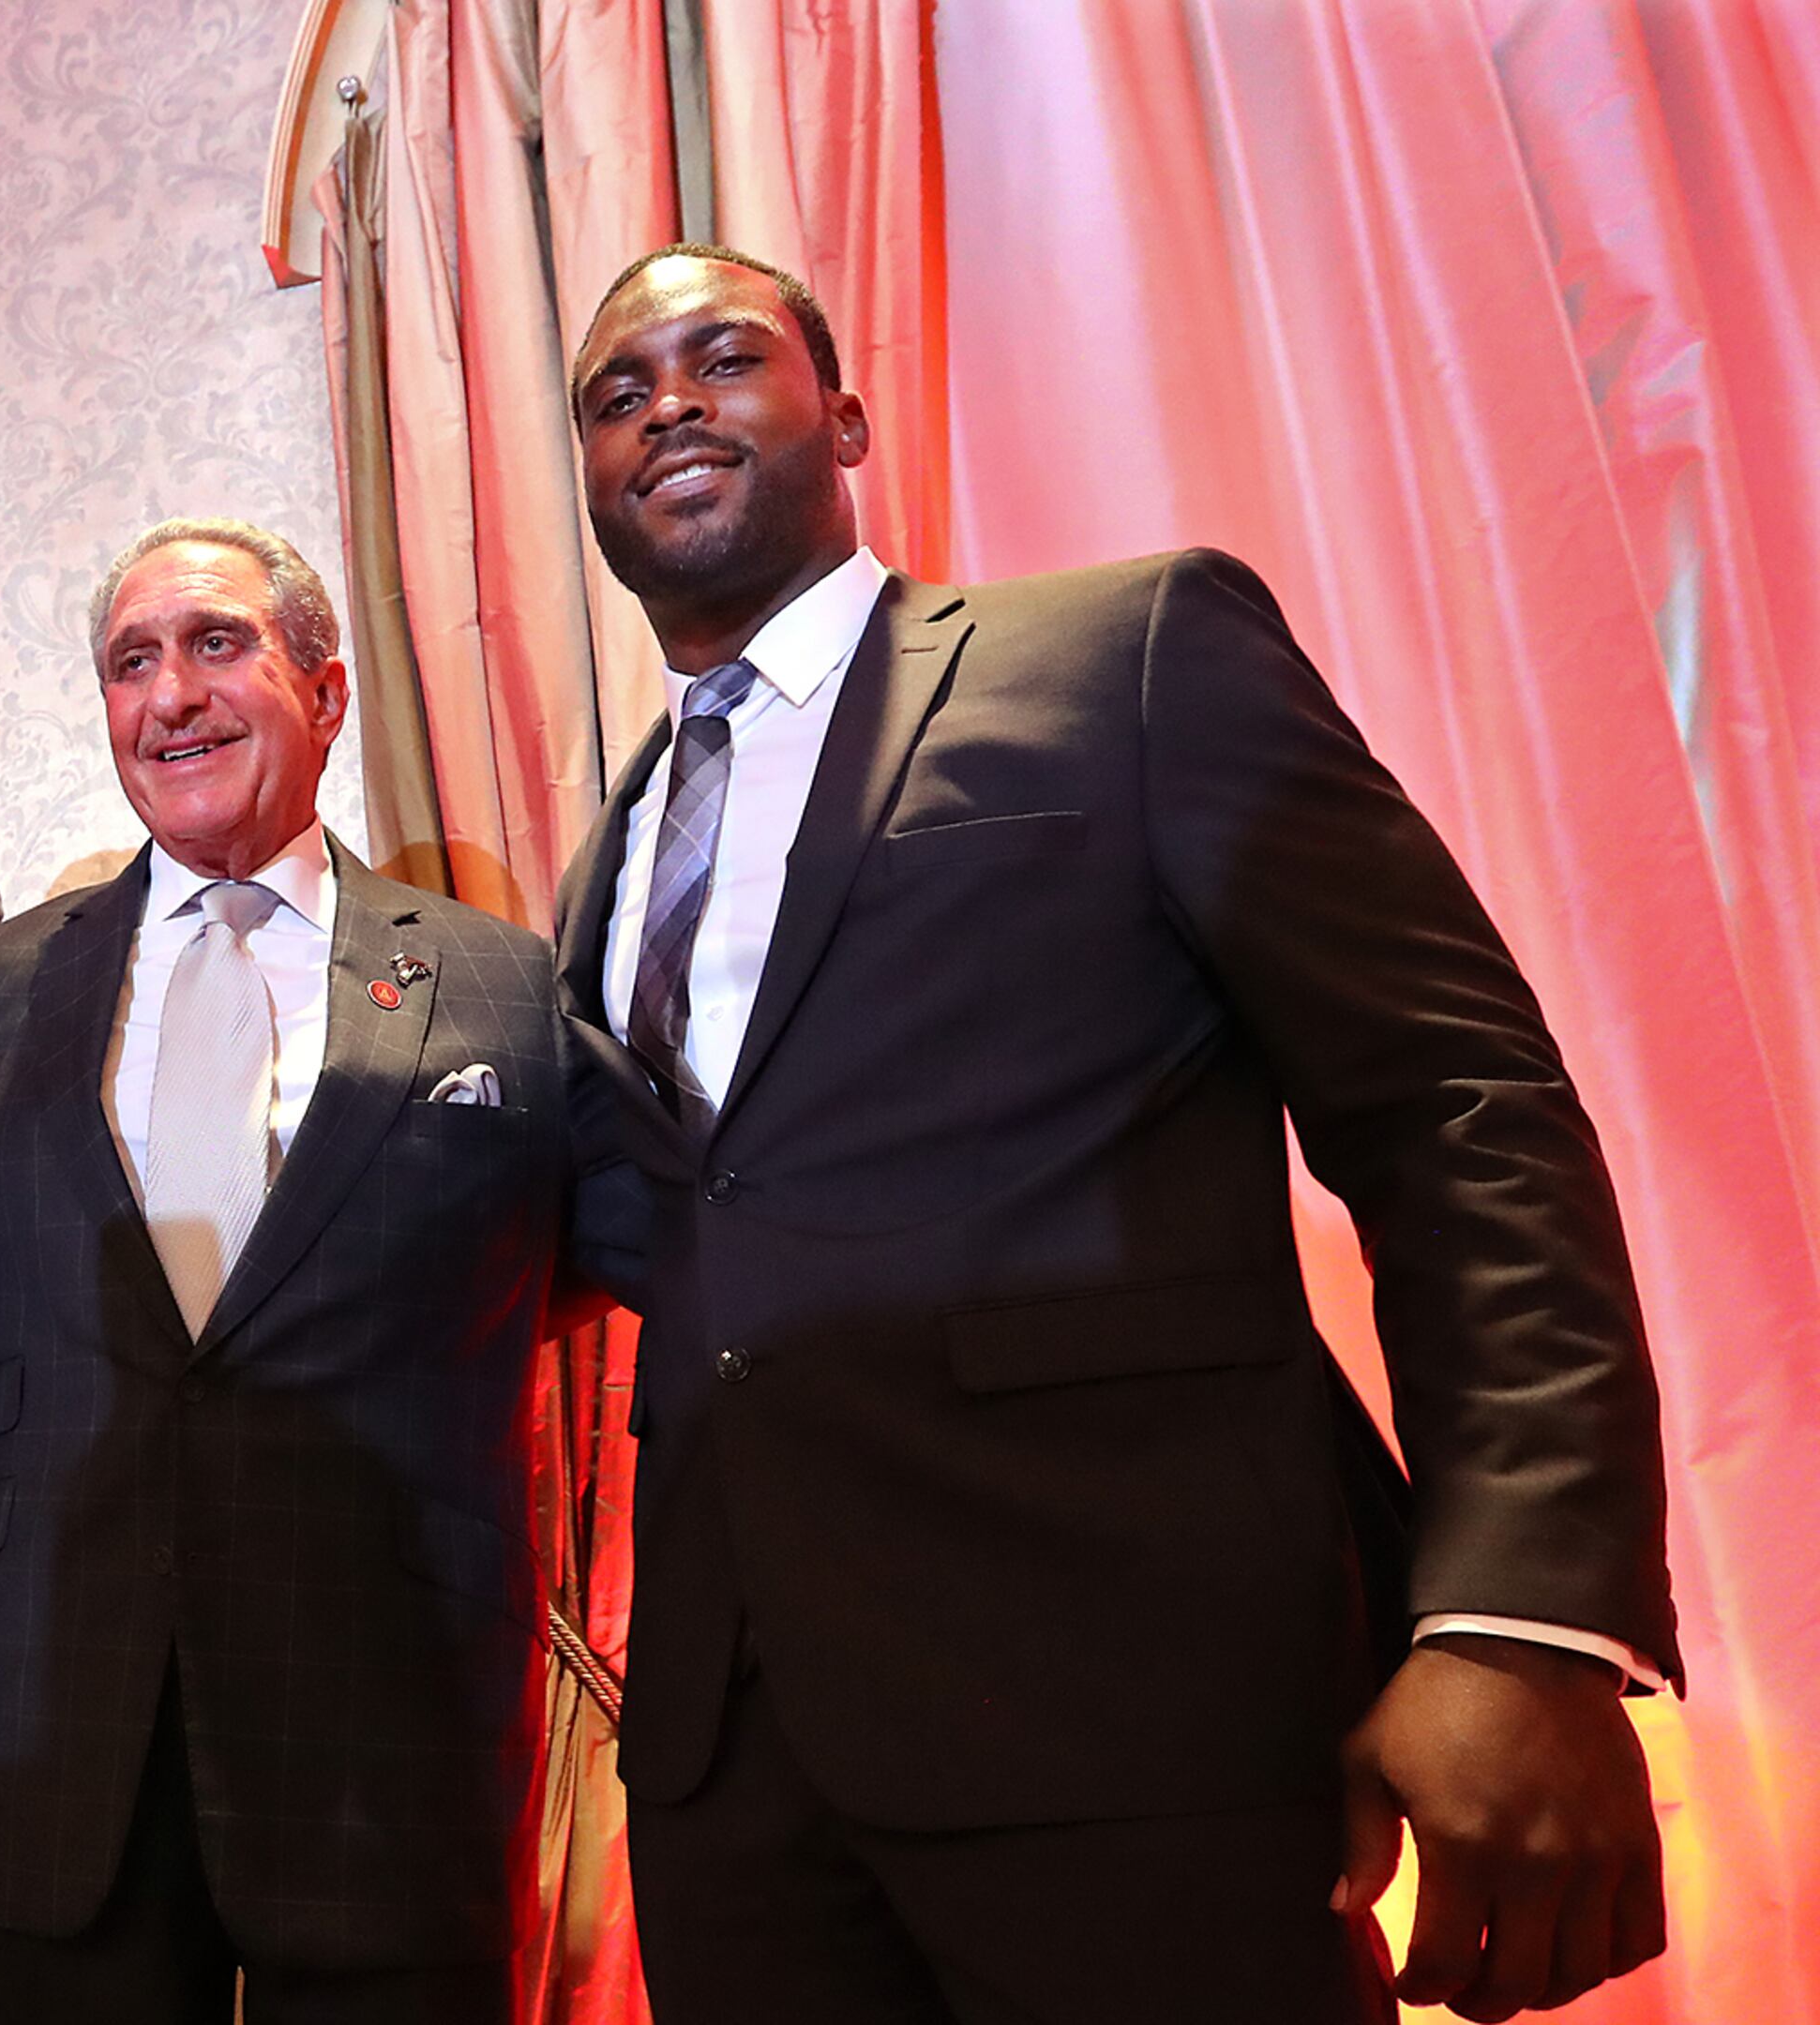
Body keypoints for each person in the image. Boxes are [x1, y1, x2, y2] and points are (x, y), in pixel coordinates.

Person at [549, 245, 1677, 2024]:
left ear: (846, 419)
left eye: (725, 359)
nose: (667, 405)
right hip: (736, 1783)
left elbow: (1455, 1108)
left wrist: (1520, 1615)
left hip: (1127, 1710)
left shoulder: (1127, 656)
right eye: (618, 397)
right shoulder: (606, 853)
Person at [0, 519, 610, 2022]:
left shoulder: (501, 982)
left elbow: (614, 1252)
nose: (171, 695)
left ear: (327, 693)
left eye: (218, 644)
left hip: (387, 1740)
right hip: (56, 1737)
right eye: (130, 663)